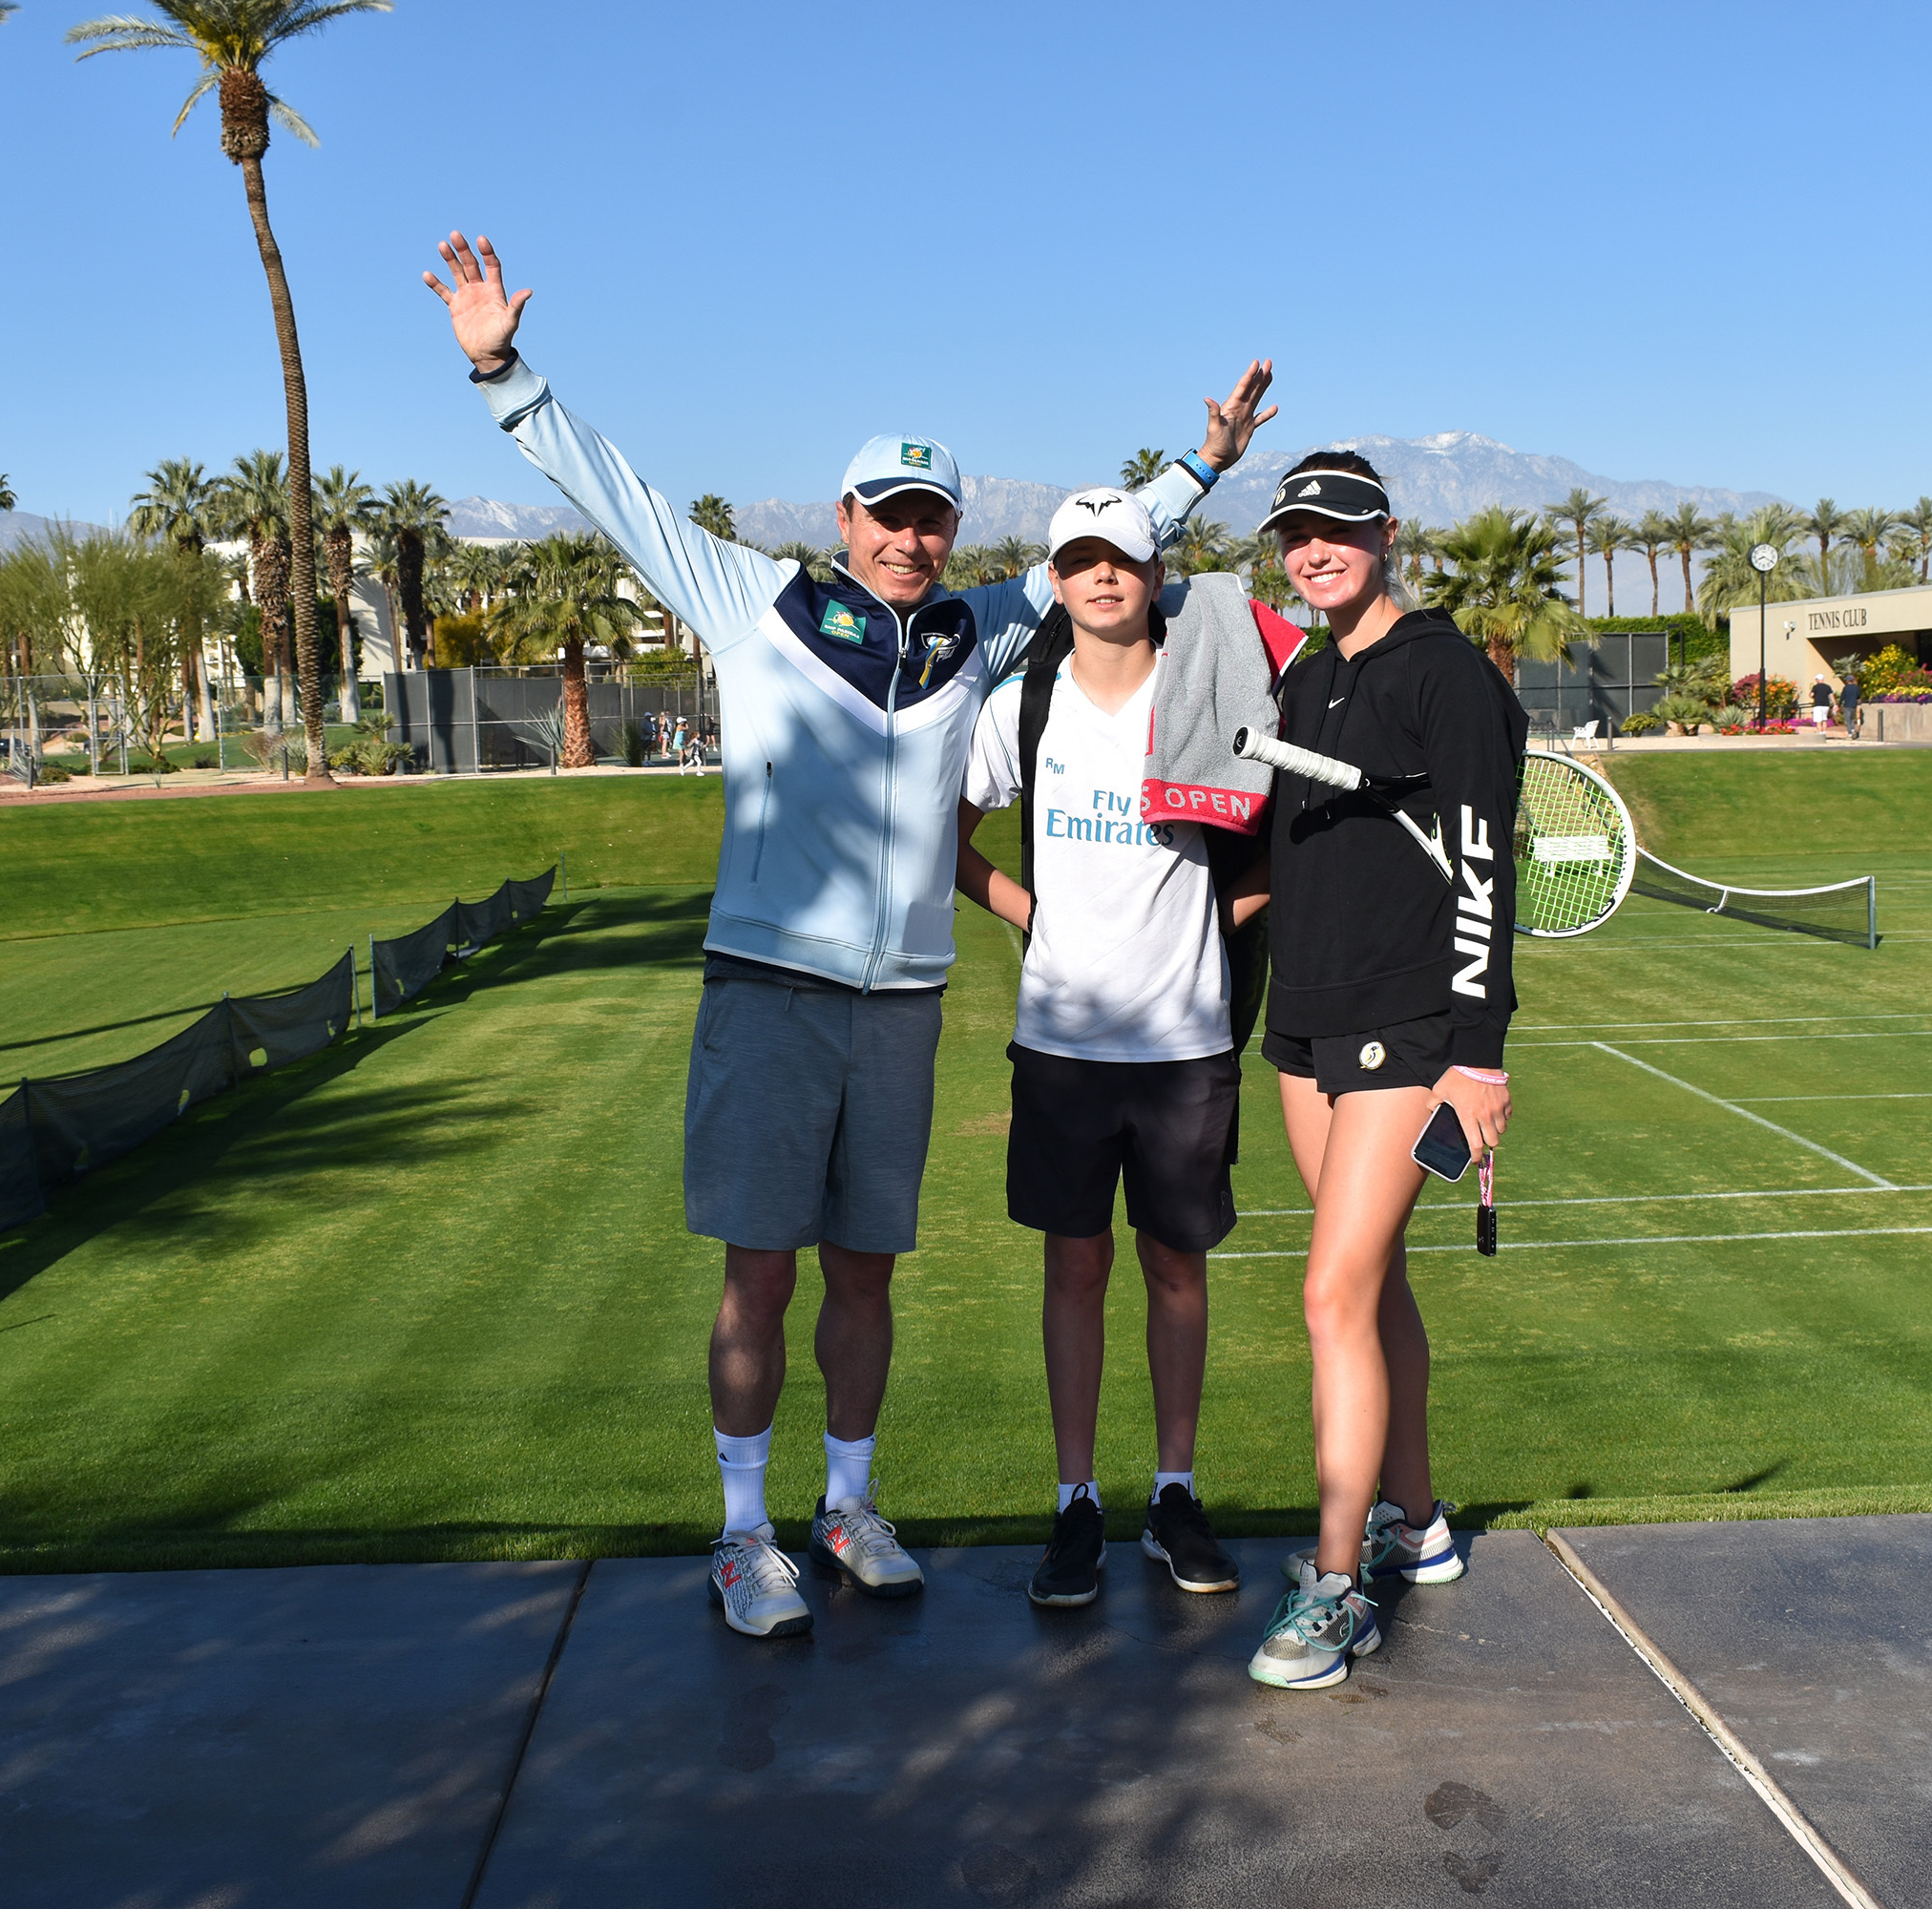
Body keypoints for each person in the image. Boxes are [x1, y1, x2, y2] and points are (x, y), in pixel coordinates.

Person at [426, 232, 1276, 1641]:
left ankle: (848, 1504)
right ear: (842, 515)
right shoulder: (751, 602)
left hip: (902, 1011)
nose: (909, 536)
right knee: (759, 1269)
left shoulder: (977, 631)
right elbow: (616, 494)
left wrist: (1204, 470)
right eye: (887, 512)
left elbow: (1104, 563)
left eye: (930, 516)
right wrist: (502, 370)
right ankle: (744, 1531)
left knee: (866, 1272)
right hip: (769, 991)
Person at [957, 492, 1281, 1609]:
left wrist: (1204, 925)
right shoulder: (1023, 707)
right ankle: (1076, 1501)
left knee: (1177, 1268)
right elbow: (947, 836)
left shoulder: (1212, 691)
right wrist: (1027, 910)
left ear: (1156, 572)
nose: (1104, 576)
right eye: (1080, 560)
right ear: (1054, 581)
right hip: (1062, 1042)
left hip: (1187, 1041)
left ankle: (1175, 1491)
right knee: (1075, 1266)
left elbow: (1277, 844)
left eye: (1124, 558)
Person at [1240, 451, 1525, 1691]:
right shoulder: (1309, 674)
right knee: (1369, 1285)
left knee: (1327, 1297)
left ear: (1387, 535)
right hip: (1304, 1027)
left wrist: (1478, 1058)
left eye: (1339, 531)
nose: (1317, 551)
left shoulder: (1447, 675)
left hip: (1413, 1035)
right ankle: (1423, 1520)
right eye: (1298, 533)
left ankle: (1341, 1584)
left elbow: (1478, 874)